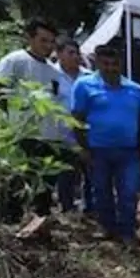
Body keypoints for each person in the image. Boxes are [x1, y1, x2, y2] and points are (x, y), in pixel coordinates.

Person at [71, 43, 140, 244]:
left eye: (115, 64)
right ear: (98, 63)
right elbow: (76, 118)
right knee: (101, 191)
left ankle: (127, 231)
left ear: (121, 64)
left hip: (128, 151)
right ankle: (106, 228)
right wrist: (83, 147)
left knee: (128, 192)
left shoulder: (136, 90)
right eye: (106, 63)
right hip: (98, 150)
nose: (111, 68)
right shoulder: (84, 86)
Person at [0, 18, 71, 224]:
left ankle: (40, 225)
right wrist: (14, 118)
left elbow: (55, 101)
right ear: (30, 37)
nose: (48, 46)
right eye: (43, 40)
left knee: (44, 186)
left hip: (49, 136)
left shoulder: (54, 71)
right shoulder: (14, 60)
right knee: (18, 181)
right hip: (22, 134)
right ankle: (11, 223)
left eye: (51, 42)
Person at [51, 36, 90, 213]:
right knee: (66, 174)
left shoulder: (89, 77)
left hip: (87, 134)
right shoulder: (51, 75)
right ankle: (66, 210)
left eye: (77, 53)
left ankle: (90, 210)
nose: (75, 57)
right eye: (70, 53)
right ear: (59, 54)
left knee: (90, 173)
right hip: (61, 135)